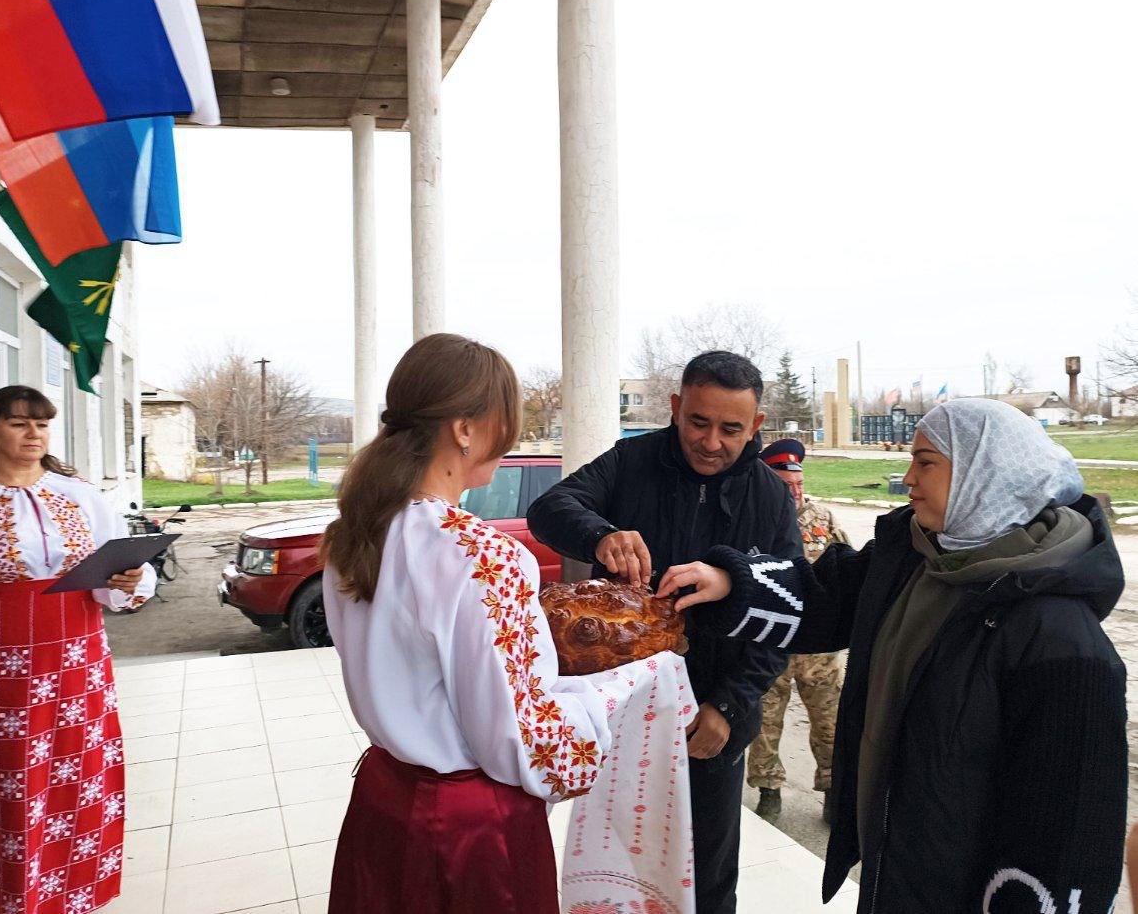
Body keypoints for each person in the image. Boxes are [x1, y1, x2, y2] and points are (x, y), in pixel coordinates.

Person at [660, 398, 1128, 912]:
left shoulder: (1063, 642)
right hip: (897, 867)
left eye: (926, 462)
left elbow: (1065, 839)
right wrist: (730, 582)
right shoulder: (915, 557)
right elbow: (827, 599)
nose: (908, 478)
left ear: (985, 473)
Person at [321, 334, 611, 914]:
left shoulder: (353, 532)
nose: (514, 435)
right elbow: (520, 737)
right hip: (468, 830)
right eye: (506, 417)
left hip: (383, 800)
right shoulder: (486, 556)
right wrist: (606, 698)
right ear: (463, 428)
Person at [527, 350, 800, 914]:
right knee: (620, 859)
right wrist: (600, 534)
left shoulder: (770, 497)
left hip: (712, 719)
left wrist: (729, 705)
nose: (711, 442)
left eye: (731, 429)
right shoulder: (632, 461)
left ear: (755, 426)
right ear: (676, 408)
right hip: (623, 714)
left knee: (707, 871)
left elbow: (786, 613)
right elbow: (551, 508)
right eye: (698, 422)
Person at [0, 385, 156, 914]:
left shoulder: (80, 495)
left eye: (42, 424)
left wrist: (130, 577)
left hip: (76, 655)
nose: (34, 434)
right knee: (0, 772)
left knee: (75, 769)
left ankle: (67, 891)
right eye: (19, 423)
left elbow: (116, 576)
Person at [748, 438, 850, 822]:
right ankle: (768, 789)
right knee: (764, 722)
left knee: (830, 724)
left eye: (798, 483)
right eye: (785, 484)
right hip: (770, 642)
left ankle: (832, 790)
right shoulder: (755, 521)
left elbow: (847, 568)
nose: (795, 491)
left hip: (819, 649)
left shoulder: (822, 519)